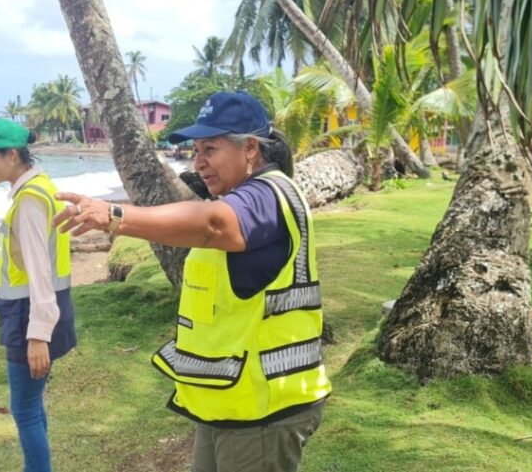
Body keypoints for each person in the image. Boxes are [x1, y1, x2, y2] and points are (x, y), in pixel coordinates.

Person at [53, 92, 331, 472]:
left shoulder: (268, 196)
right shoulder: (239, 196)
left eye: (210, 149)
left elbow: (211, 225)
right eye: (196, 151)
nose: (199, 163)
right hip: (226, 398)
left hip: (265, 408)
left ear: (250, 149)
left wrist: (115, 215)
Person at [0, 118, 76, 472]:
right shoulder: (42, 187)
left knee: (24, 410)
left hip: (31, 313)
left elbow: (39, 270)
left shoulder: (29, 200)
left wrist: (38, 335)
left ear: (12, 154)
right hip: (43, 307)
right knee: (32, 405)